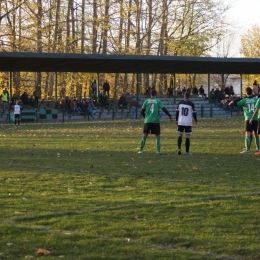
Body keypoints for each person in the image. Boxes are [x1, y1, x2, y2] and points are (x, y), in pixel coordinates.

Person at [138, 89, 173, 154]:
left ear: (150, 94)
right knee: (157, 135)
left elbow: (142, 111)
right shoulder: (158, 101)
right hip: (155, 121)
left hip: (147, 120)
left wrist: (145, 117)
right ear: (156, 94)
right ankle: (158, 151)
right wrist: (169, 116)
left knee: (145, 135)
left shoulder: (146, 101)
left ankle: (140, 150)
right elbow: (164, 109)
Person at [229, 87, 258, 154]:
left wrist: (231, 102)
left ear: (246, 93)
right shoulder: (256, 99)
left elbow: (236, 104)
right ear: (252, 92)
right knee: (256, 134)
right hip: (256, 118)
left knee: (248, 133)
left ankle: (247, 149)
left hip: (248, 118)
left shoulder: (244, 100)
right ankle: (258, 149)